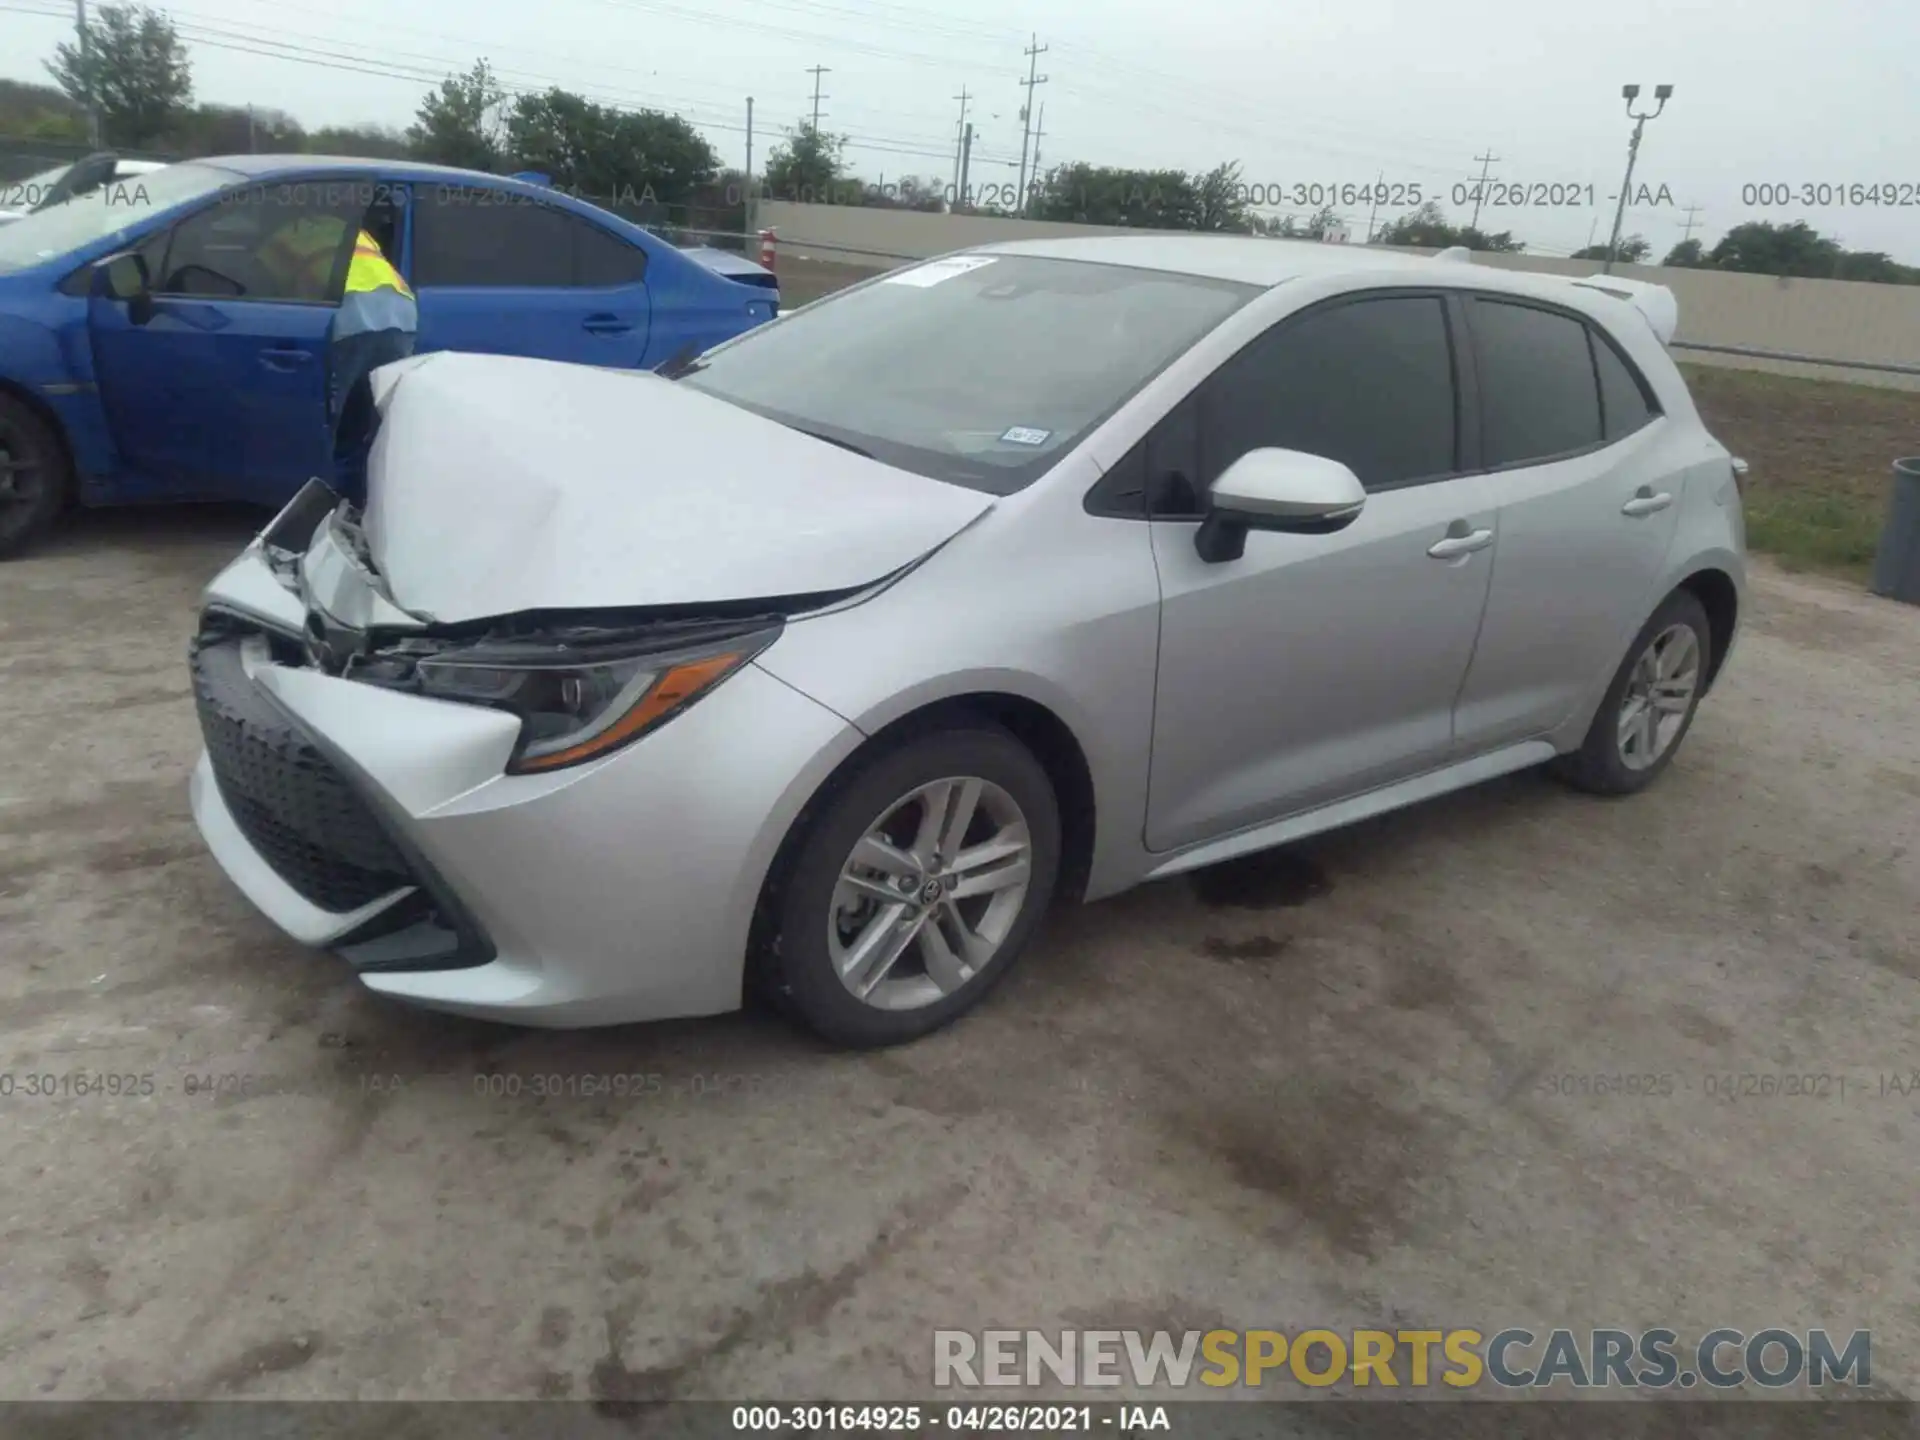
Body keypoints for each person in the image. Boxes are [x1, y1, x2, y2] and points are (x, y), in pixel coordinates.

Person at [328, 227, 417, 496]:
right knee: (379, 421)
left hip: (353, 320)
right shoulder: (356, 230)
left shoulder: (286, 234)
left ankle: (341, 498)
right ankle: (376, 497)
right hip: (401, 317)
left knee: (340, 423)